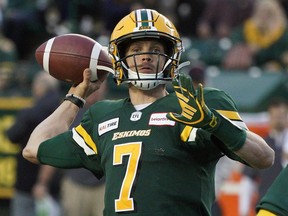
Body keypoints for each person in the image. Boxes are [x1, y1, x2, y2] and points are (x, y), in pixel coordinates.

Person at [22, 9, 274, 215]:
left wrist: (215, 123)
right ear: (119, 59)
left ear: (171, 57)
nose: (146, 57)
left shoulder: (198, 104)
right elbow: (34, 148)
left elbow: (264, 157)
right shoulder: (103, 116)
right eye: (135, 50)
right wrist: (76, 97)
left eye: (155, 50)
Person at [6, 71, 62, 216]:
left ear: (39, 87)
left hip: (28, 183)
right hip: (56, 185)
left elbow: (12, 136)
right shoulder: (64, 111)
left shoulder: (30, 113)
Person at [61, 81, 107, 216]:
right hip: (76, 182)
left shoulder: (112, 110)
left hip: (104, 184)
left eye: (100, 84)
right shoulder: (71, 111)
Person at [239, 97, 288, 216]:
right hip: (268, 206)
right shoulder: (261, 145)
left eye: (282, 115)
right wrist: (243, 211)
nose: (279, 119)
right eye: (276, 115)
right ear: (270, 117)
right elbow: (248, 181)